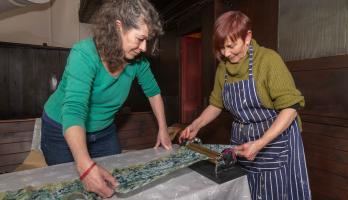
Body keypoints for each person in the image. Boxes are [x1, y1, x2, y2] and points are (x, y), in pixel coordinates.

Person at [40, 0, 172, 198]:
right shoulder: (84, 54)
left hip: (104, 130)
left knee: (114, 184)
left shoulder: (138, 61)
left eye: (148, 40)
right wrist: (84, 167)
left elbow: (153, 92)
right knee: (70, 190)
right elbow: (74, 111)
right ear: (118, 27)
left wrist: (163, 129)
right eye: (140, 39)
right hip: (62, 129)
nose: (144, 48)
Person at [179, 11, 311, 200]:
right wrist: (196, 124)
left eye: (231, 46)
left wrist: (260, 143)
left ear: (247, 37)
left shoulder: (268, 60)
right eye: (221, 48)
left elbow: (290, 109)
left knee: (273, 193)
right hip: (242, 142)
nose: (225, 53)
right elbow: (216, 104)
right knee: (246, 191)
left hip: (273, 141)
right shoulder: (223, 68)